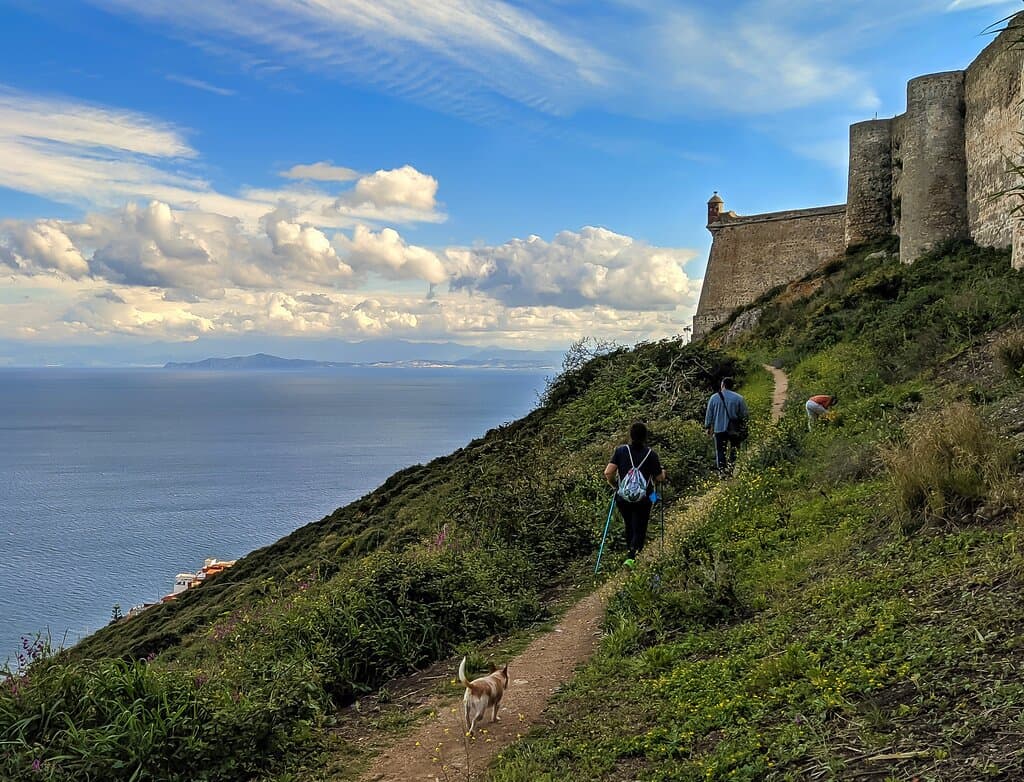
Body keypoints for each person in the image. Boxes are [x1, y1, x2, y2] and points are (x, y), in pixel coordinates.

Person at [603, 422, 666, 568]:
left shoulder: (621, 451)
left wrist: (615, 486)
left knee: (629, 524)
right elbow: (659, 478)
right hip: (645, 498)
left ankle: (630, 552)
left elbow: (608, 472)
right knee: (641, 525)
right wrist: (663, 472)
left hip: (622, 497)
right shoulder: (651, 454)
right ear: (645, 437)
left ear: (630, 436)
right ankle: (632, 556)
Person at [704, 377, 749, 476]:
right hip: (734, 429)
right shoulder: (739, 398)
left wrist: (708, 427)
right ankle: (730, 467)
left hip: (719, 429)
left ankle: (722, 471)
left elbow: (709, 414)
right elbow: (744, 415)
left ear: (723, 385)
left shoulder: (714, 398)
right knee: (734, 449)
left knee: (720, 450)